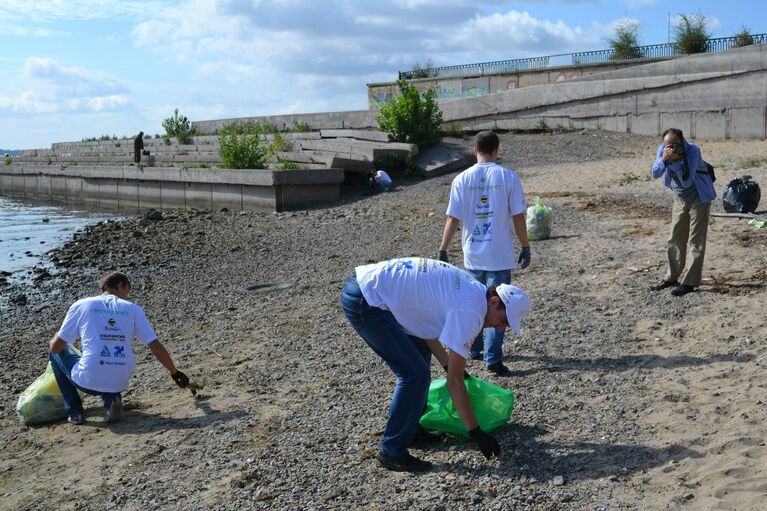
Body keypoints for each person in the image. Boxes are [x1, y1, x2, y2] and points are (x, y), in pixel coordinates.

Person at [340, 257, 531, 472]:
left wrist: (448, 365)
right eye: (503, 321)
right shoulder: (472, 311)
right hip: (367, 301)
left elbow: (425, 328)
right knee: (415, 375)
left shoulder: (474, 290)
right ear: (495, 301)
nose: (499, 329)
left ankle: (411, 431)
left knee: (420, 360)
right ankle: (391, 451)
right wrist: (476, 433)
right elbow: (455, 383)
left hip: (368, 287)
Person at [438, 131, 530, 376]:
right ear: (496, 150)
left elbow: (452, 217)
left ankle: (474, 348)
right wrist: (525, 245)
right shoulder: (507, 176)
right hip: (499, 254)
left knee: (475, 301)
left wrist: (443, 249)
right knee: (499, 306)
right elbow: (518, 214)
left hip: (472, 254)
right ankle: (493, 358)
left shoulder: (461, 179)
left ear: (473, 150)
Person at [48, 272, 190, 425]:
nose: (126, 297)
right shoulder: (133, 309)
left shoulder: (82, 305)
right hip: (121, 380)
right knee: (109, 359)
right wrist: (174, 372)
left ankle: (75, 412)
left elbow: (56, 347)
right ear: (121, 285)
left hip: (87, 380)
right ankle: (112, 398)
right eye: (127, 291)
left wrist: (58, 334)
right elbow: (157, 348)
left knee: (55, 354)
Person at [650, 128, 716, 297]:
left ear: (682, 141)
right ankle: (672, 277)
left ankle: (690, 282)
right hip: (680, 198)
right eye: (666, 145)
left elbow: (687, 182)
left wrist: (675, 163)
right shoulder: (663, 150)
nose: (670, 148)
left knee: (696, 240)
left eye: (673, 145)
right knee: (675, 237)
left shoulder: (692, 151)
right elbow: (655, 173)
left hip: (699, 196)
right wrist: (665, 159)